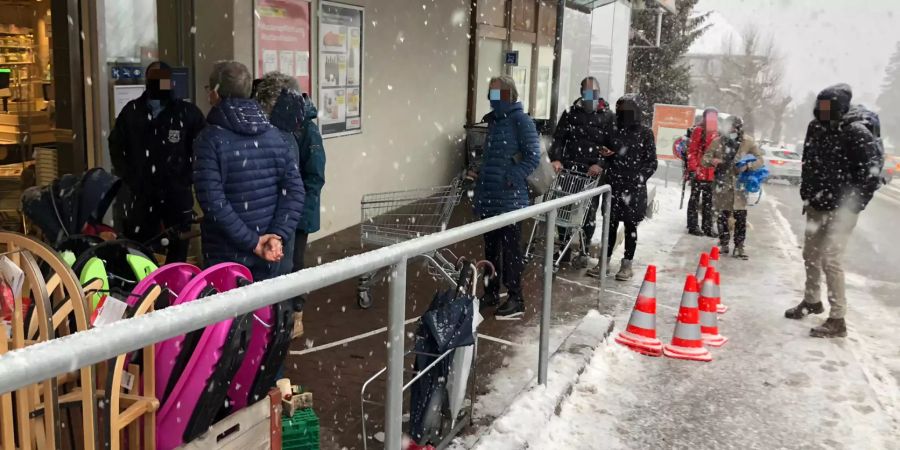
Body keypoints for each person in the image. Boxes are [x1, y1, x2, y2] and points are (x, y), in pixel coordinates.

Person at [785, 84, 883, 338]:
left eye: (827, 107)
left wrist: (853, 205)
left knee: (831, 259)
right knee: (810, 254)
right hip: (817, 204)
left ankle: (838, 318)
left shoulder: (856, 133)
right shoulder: (815, 128)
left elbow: (870, 176)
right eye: (820, 106)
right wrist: (807, 195)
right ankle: (812, 301)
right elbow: (808, 162)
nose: (822, 111)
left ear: (839, 107)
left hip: (843, 209)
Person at [193, 61, 305, 281]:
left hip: (226, 256)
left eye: (208, 89)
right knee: (266, 313)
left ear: (215, 92)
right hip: (269, 254)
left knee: (230, 314)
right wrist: (276, 236)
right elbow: (295, 191)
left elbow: (213, 202)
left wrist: (253, 242)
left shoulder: (209, 140)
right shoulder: (274, 135)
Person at [109, 61, 205, 262]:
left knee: (178, 248)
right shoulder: (132, 111)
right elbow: (116, 145)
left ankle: (174, 289)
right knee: (141, 250)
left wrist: (187, 176)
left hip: (177, 195)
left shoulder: (186, 113)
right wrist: (129, 176)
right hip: (141, 195)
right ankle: (147, 288)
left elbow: (202, 148)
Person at [253, 72, 326, 308]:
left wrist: (299, 213)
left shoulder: (306, 130)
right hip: (288, 212)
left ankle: (296, 312)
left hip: (299, 212)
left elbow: (314, 175)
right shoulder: (280, 128)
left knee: (294, 264)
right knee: (284, 263)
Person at [472, 75, 540, 320]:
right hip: (490, 197)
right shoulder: (493, 122)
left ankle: (515, 297)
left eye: (497, 93)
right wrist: (479, 172)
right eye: (490, 92)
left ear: (510, 94)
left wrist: (510, 177)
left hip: (511, 199)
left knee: (511, 251)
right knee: (490, 250)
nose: (492, 98)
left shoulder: (521, 121)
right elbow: (491, 157)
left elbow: (533, 157)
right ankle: (490, 293)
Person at [586, 94, 657, 280]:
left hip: (634, 188)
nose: (620, 113)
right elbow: (605, 153)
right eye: (619, 109)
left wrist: (639, 178)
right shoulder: (614, 129)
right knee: (609, 225)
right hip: (613, 185)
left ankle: (627, 264)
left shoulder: (645, 133)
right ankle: (604, 262)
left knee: (630, 227)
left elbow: (651, 162)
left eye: (624, 109)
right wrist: (606, 156)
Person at [548, 76, 616, 255]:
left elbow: (612, 148)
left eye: (593, 93)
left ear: (599, 94)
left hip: (591, 173)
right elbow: (558, 139)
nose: (590, 97)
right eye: (586, 93)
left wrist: (600, 164)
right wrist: (556, 158)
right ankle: (564, 247)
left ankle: (584, 249)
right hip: (569, 169)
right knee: (564, 210)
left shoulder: (608, 117)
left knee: (588, 212)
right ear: (580, 93)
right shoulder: (570, 113)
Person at [702, 116, 763, 259]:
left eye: (734, 128)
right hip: (722, 185)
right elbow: (704, 159)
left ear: (739, 129)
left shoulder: (748, 142)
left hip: (740, 186)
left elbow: (760, 159)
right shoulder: (717, 142)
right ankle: (723, 244)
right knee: (722, 216)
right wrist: (713, 161)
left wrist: (749, 166)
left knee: (740, 217)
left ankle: (739, 247)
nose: (732, 131)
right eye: (729, 127)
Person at [686, 108, 719, 237]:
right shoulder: (699, 130)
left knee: (708, 201)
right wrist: (693, 169)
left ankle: (707, 226)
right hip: (699, 170)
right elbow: (692, 151)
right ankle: (693, 225)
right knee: (694, 199)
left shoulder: (717, 133)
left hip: (711, 172)